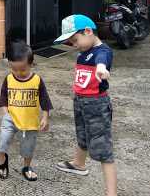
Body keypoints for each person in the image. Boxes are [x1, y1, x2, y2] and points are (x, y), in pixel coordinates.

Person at [54, 15, 116, 196]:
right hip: (80, 101)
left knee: (103, 147)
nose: (74, 45)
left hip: (96, 104)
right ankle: (79, 164)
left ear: (88, 31)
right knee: (82, 134)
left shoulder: (102, 51)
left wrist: (101, 69)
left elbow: (101, 61)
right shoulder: (83, 51)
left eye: (74, 40)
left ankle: (111, 193)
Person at [0, 41, 52, 181]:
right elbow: (3, 96)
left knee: (28, 148)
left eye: (22, 69)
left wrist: (45, 117)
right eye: (14, 69)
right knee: (2, 142)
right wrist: (5, 113)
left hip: (30, 121)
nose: (18, 73)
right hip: (10, 118)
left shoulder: (37, 80)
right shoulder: (9, 79)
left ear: (31, 64)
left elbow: (44, 99)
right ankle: (2, 161)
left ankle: (26, 167)